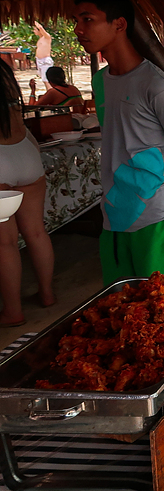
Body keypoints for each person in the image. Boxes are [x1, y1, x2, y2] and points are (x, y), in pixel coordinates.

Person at [73, 0, 164, 285]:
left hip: (160, 220)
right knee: (124, 312)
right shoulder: (100, 81)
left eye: (88, 19)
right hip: (115, 216)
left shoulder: (157, 86)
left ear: (119, 24)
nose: (78, 29)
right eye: (76, 20)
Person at [0, 60, 56, 327]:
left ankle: (13, 311)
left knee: (5, 243)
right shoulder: (4, 74)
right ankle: (47, 294)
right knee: (36, 232)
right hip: (25, 150)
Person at [33, 21, 54, 92]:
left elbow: (41, 28)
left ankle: (51, 93)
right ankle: (49, 92)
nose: (34, 31)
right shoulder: (40, 39)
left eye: (35, 29)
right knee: (44, 80)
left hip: (45, 61)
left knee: (46, 80)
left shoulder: (47, 37)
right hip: (39, 60)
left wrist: (35, 22)